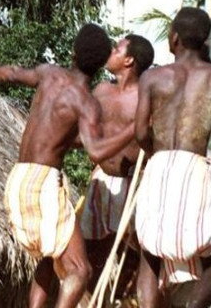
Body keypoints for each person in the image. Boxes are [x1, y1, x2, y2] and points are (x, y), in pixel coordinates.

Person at [0, 24, 134, 308]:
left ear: (72, 52)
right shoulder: (87, 103)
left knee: (49, 260)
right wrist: (132, 131)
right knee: (80, 271)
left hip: (18, 179)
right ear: (102, 66)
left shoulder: (49, 74)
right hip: (44, 183)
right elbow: (96, 150)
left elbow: (12, 74)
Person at [132, 7, 211, 308]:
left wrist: (159, 159)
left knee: (149, 253)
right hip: (194, 169)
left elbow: (140, 132)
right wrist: (208, 60)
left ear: (173, 38)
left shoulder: (152, 78)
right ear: (203, 42)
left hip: (160, 164)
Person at [79, 34, 153, 284]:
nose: (111, 51)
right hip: (100, 179)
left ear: (129, 60)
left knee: (139, 252)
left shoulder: (146, 96)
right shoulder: (101, 90)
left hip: (132, 184)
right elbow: (87, 134)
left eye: (117, 49)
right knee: (91, 250)